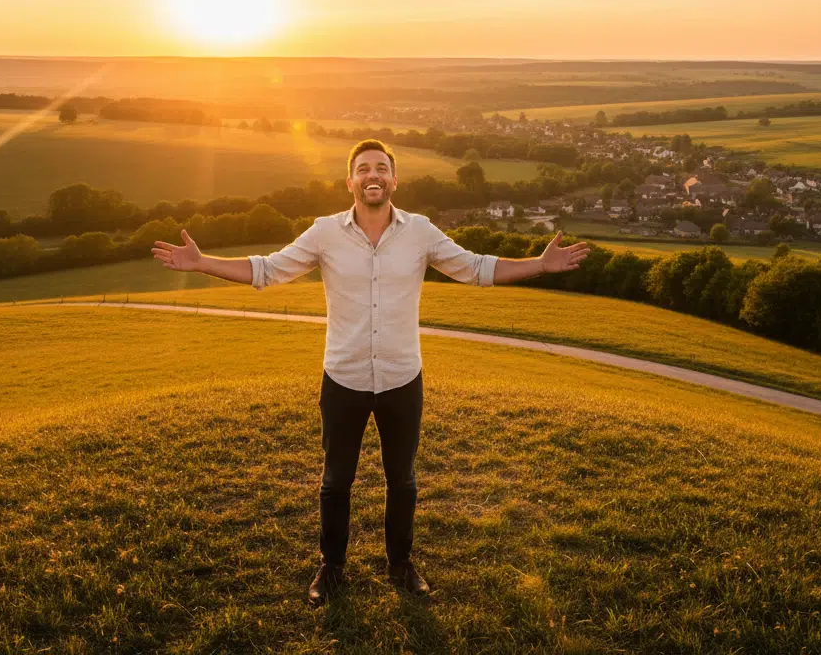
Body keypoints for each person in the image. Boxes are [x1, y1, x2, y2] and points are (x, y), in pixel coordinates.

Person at [150, 139, 591, 605]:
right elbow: (268, 270)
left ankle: (401, 566)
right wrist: (201, 263)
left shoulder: (420, 232)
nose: (372, 174)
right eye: (363, 168)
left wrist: (539, 265)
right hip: (343, 379)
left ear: (394, 180)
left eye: (381, 167)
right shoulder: (324, 233)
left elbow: (476, 268)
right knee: (336, 481)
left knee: (402, 480)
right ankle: (332, 568)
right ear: (350, 182)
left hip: (403, 378)